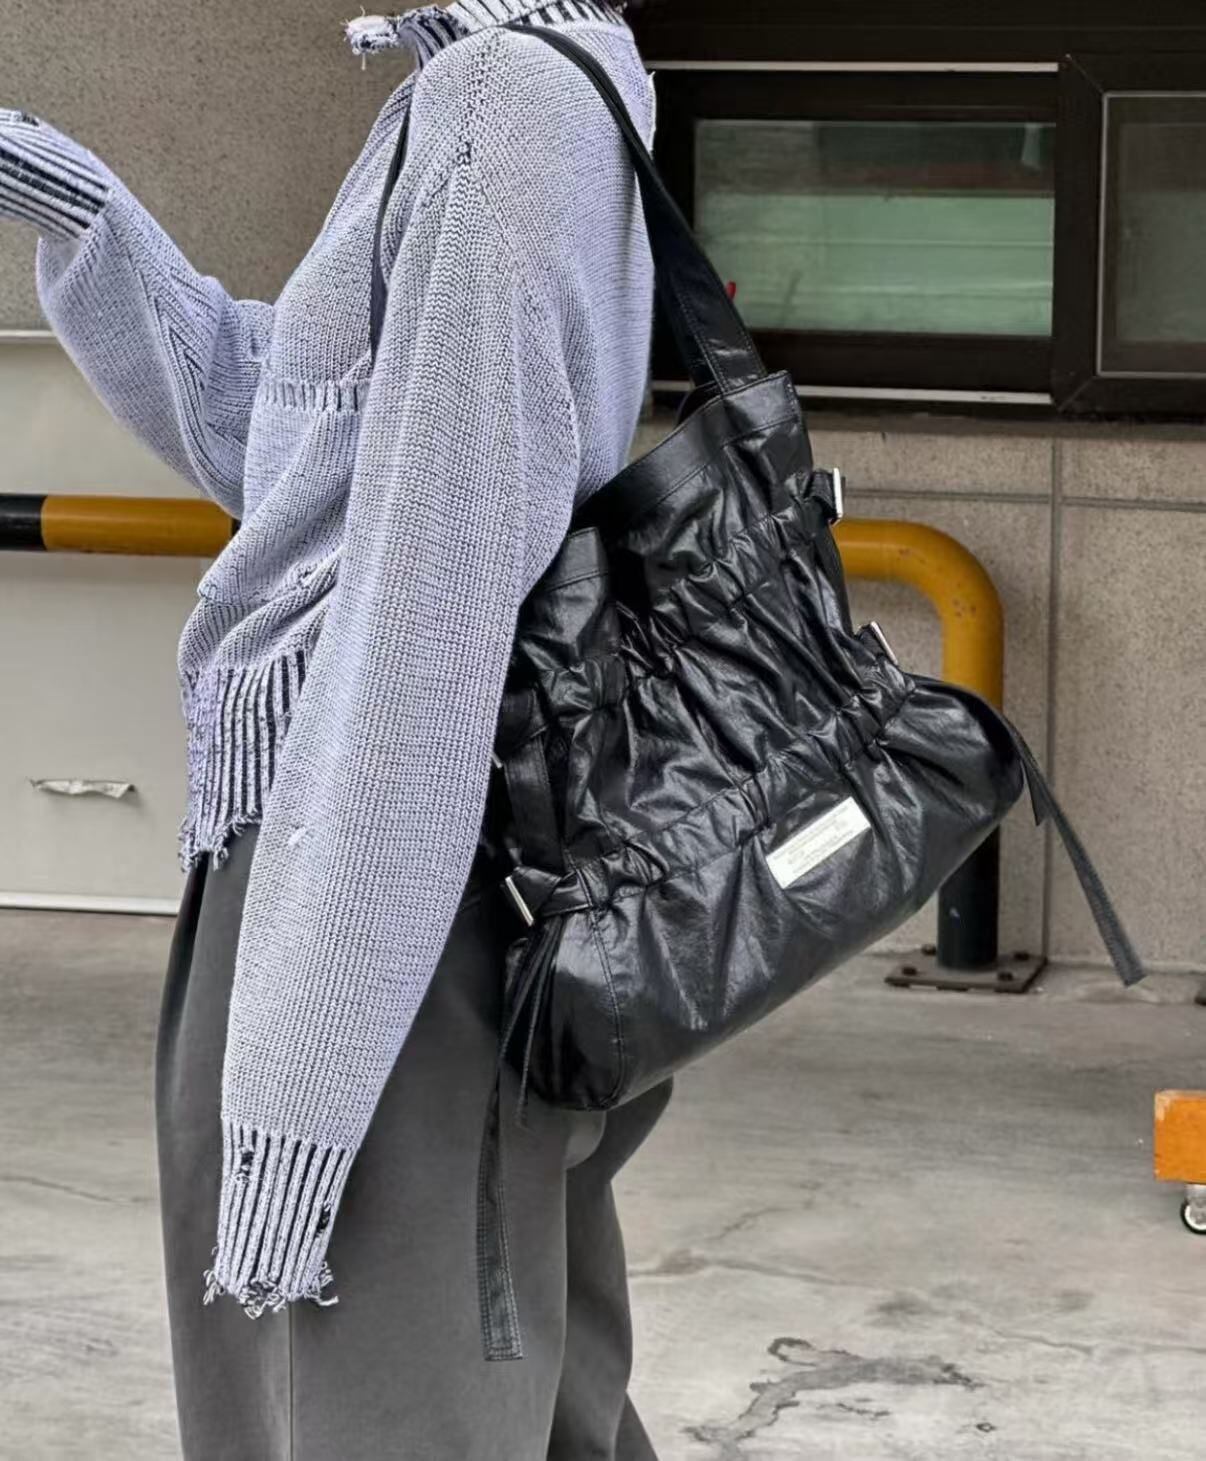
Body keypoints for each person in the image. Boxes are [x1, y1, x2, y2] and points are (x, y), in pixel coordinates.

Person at [0, 2, 671, 1456]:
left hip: (386, 855)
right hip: (436, 838)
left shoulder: (501, 104)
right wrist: (85, 213)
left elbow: (430, 591)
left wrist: (302, 1078)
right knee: (518, 1380)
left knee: (369, 1389)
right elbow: (307, 447)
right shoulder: (511, 82)